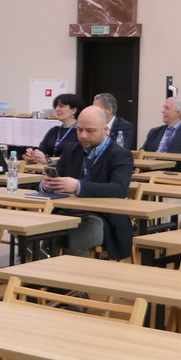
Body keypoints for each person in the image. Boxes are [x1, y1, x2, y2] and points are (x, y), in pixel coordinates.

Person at [40, 106, 134, 259]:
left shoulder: (120, 155)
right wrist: (47, 184)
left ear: (105, 130)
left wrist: (78, 186)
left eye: (90, 131)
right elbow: (58, 177)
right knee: (34, 231)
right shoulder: (71, 149)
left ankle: (72, 274)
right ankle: (40, 271)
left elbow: (118, 189)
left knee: (78, 236)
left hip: (101, 217)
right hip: (67, 211)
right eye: (79, 130)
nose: (83, 136)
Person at [36, 93, 83, 158]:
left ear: (73, 110)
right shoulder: (54, 130)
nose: (57, 109)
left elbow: (76, 157)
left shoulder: (80, 131)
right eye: (56, 106)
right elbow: (41, 150)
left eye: (61, 106)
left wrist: (48, 160)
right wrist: (34, 155)